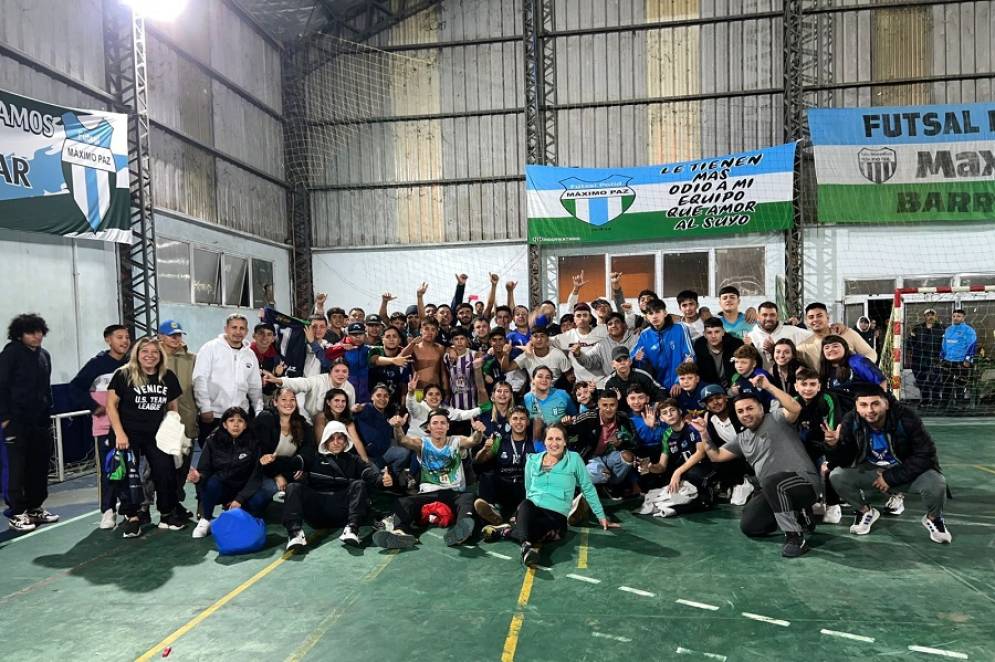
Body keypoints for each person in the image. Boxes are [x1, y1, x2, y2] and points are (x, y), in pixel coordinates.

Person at [703, 375, 818, 558]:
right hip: (772, 489)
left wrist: (769, 386)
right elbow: (716, 456)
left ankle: (795, 536)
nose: (745, 414)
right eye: (740, 411)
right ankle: (798, 513)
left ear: (761, 408)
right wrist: (703, 434)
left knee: (772, 481)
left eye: (750, 408)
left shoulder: (776, 418)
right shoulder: (742, 439)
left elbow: (795, 408)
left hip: (804, 482)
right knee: (750, 526)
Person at [825, 384, 951, 544]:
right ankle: (865, 511)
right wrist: (834, 445)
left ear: (886, 404)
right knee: (837, 475)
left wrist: (890, 477)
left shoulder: (906, 418)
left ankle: (934, 519)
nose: (869, 410)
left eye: (875, 404)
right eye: (863, 405)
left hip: (902, 468)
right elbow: (845, 459)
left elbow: (926, 455)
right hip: (871, 470)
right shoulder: (851, 420)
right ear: (856, 406)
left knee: (937, 483)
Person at [480, 424, 617, 568]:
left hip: (556, 517)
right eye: (550, 439)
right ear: (544, 442)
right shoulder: (532, 460)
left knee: (536, 530)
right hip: (532, 509)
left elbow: (587, 487)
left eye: (558, 439)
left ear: (565, 442)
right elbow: (528, 489)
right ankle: (526, 546)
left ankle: (507, 531)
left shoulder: (574, 459)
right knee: (526, 504)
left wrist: (601, 517)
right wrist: (522, 513)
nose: (554, 443)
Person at [106, 337, 185, 537]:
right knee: (127, 476)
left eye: (154, 352)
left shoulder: (167, 376)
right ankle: (132, 517)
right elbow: (111, 406)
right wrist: (119, 433)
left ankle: (167, 513)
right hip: (128, 433)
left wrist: (173, 429)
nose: (150, 355)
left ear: (160, 355)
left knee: (164, 472)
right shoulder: (123, 374)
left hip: (157, 435)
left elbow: (173, 406)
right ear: (137, 354)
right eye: (145, 351)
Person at [373, 409, 483, 549]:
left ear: (448, 426)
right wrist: (398, 427)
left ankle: (462, 529)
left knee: (468, 497)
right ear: (429, 427)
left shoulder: (456, 440)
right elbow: (402, 440)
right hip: (428, 494)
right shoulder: (422, 443)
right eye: (435, 423)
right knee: (403, 502)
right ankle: (400, 532)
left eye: (443, 423)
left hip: (452, 493)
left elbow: (473, 440)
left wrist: (478, 431)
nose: (439, 426)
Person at [283, 420, 392, 550]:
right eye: (331, 438)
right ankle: (295, 534)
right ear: (325, 440)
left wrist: (381, 479)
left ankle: (352, 529)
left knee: (359, 484)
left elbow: (368, 474)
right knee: (293, 487)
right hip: (317, 513)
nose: (336, 442)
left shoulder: (354, 459)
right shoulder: (312, 457)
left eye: (340, 438)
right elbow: (292, 464)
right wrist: (276, 465)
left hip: (343, 513)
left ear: (346, 440)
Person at [70, 323, 131, 530]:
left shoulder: (133, 363)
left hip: (129, 427)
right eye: (119, 337)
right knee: (109, 468)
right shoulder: (96, 365)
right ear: (108, 339)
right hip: (105, 428)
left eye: (127, 337)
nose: (124, 341)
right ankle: (108, 510)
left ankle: (128, 507)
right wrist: (93, 406)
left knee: (129, 468)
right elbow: (75, 388)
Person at [0, 313, 58, 532]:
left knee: (39, 465)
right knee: (16, 467)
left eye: (39, 332)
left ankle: (35, 507)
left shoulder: (44, 355)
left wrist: (48, 412)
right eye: (31, 333)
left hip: (40, 421)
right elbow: (1, 386)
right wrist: (5, 418)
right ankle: (16, 512)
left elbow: (46, 386)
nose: (37, 336)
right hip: (15, 422)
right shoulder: (10, 354)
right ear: (19, 335)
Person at [188, 407, 273, 539]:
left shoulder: (254, 442)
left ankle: (242, 513)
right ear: (224, 424)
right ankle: (205, 519)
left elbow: (256, 475)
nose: (236, 424)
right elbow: (204, 470)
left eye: (240, 421)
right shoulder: (212, 440)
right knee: (211, 483)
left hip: (246, 488)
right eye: (231, 420)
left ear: (245, 425)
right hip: (224, 486)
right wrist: (198, 478)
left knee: (260, 500)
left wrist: (240, 499)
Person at [192, 314, 264, 445]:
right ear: (226, 329)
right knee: (213, 460)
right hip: (213, 416)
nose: (238, 332)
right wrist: (205, 408)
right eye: (234, 327)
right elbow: (199, 379)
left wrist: (258, 410)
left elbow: (255, 387)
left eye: (242, 328)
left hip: (241, 417)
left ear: (247, 332)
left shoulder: (250, 354)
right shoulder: (210, 348)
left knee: (240, 460)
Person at [637, 399, 715, 518]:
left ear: (679, 412)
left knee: (693, 474)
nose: (669, 414)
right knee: (655, 482)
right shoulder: (667, 435)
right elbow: (662, 466)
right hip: (684, 471)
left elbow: (701, 453)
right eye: (664, 412)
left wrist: (677, 472)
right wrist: (650, 468)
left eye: (672, 410)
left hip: (703, 467)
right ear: (662, 418)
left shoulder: (693, 426)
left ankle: (708, 493)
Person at [158, 321, 198, 522]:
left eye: (179, 335)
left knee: (182, 468)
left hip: (188, 421)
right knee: (161, 469)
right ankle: (158, 507)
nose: (176, 339)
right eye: (172, 335)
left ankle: (175, 502)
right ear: (160, 337)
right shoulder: (153, 359)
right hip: (162, 425)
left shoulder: (193, 359)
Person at [792, 367, 843, 524]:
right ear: (796, 386)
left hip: (829, 444)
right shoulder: (794, 402)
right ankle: (814, 499)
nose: (808, 388)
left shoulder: (828, 398)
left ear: (819, 386)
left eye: (812, 384)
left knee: (828, 469)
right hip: (807, 445)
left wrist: (832, 438)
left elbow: (834, 429)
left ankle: (834, 504)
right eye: (804, 384)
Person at [472, 405, 538, 525]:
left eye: (522, 419)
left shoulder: (534, 443)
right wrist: (484, 450)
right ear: (509, 421)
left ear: (528, 422)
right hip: (503, 487)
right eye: (515, 418)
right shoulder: (500, 440)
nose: (518, 422)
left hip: (524, 488)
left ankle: (518, 515)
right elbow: (479, 462)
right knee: (487, 476)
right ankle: (491, 508)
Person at [568, 389, 637, 491]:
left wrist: (621, 442)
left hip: (609, 456)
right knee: (602, 475)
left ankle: (612, 487)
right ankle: (573, 483)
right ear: (599, 405)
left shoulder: (623, 418)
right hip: (589, 457)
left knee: (628, 457)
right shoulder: (586, 417)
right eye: (605, 405)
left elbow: (634, 443)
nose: (608, 409)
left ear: (617, 404)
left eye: (612, 405)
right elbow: (566, 435)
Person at [253, 387, 313, 498]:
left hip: (289, 471)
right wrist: (277, 475)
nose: (288, 403)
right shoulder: (266, 418)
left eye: (292, 399)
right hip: (264, 470)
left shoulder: (302, 424)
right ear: (275, 402)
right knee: (270, 489)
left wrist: (300, 466)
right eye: (284, 399)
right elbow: (262, 454)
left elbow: (308, 452)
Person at [699, 384, 751, 504]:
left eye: (718, 398)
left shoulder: (739, 411)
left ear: (726, 398)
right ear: (706, 405)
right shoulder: (710, 420)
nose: (715, 403)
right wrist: (704, 432)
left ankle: (747, 482)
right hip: (736, 457)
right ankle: (737, 483)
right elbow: (715, 449)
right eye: (710, 401)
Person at [353, 383, 413, 483]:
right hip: (368, 458)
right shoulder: (367, 409)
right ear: (372, 397)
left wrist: (398, 426)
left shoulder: (386, 416)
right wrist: (357, 408)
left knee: (404, 452)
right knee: (377, 481)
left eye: (386, 396)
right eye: (378, 395)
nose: (382, 398)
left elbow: (393, 437)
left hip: (383, 455)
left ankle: (394, 473)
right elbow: (360, 407)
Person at [631, 299, 694, 391]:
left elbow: (689, 356)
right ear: (647, 317)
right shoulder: (645, 335)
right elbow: (634, 358)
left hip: (681, 385)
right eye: (651, 313)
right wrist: (637, 360)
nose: (654, 316)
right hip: (658, 389)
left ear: (665, 313)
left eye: (657, 312)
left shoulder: (680, 328)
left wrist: (679, 381)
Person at [265, 358, 356, 421]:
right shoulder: (318, 380)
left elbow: (349, 411)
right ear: (330, 372)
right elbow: (302, 383)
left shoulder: (350, 388)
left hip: (335, 424)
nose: (340, 374)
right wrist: (279, 380)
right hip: (311, 419)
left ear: (348, 374)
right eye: (337, 371)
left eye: (344, 371)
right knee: (320, 417)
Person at [796, 302, 877, 370]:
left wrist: (859, 367)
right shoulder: (803, 348)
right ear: (806, 321)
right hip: (824, 388)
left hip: (853, 386)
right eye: (811, 317)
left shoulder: (847, 333)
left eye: (819, 315)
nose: (815, 320)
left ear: (827, 317)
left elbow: (870, 353)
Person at [819, 335, 888, 412]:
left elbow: (881, 381)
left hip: (864, 413)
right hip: (840, 415)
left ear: (845, 348)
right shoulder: (825, 370)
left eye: (835, 346)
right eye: (827, 348)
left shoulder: (856, 362)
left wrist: (881, 406)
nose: (831, 350)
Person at [746, 301, 812, 370]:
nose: (768, 318)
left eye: (772, 315)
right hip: (763, 378)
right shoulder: (751, 337)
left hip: (791, 378)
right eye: (764, 315)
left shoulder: (792, 331)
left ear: (777, 316)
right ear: (758, 316)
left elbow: (815, 337)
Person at [573, 312, 638, 381]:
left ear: (624, 324)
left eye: (617, 322)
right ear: (607, 328)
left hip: (637, 380)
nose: (613, 325)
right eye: (610, 324)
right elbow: (588, 362)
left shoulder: (636, 339)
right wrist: (578, 354)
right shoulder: (601, 345)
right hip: (614, 384)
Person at [313, 388, 369, 461]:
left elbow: (357, 441)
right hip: (326, 456)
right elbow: (320, 442)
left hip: (345, 453)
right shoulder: (321, 417)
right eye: (336, 400)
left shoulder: (347, 419)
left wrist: (366, 461)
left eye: (343, 401)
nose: (340, 404)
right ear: (328, 402)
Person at [523, 366, 576, 441]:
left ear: (551, 381)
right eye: (540, 376)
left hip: (560, 439)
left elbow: (574, 415)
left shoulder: (562, 394)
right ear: (533, 379)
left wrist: (568, 419)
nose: (544, 380)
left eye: (547, 377)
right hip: (535, 442)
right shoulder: (527, 398)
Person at [603, 345, 665, 410]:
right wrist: (618, 400)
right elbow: (609, 407)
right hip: (623, 413)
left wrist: (655, 406)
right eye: (619, 360)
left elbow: (661, 390)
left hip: (646, 410)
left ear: (630, 361)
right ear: (613, 364)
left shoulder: (642, 375)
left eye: (625, 359)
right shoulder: (610, 382)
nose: (622, 363)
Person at [324, 322, 374, 403]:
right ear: (348, 335)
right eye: (354, 334)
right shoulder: (342, 347)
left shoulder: (368, 349)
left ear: (365, 335)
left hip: (365, 394)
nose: (357, 336)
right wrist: (342, 348)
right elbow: (328, 354)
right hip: (345, 392)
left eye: (360, 334)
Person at [907, 309, 944, 408]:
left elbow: (945, 344)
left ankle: (936, 401)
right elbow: (910, 343)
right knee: (921, 381)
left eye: (932, 315)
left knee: (936, 380)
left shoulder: (941, 328)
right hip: (919, 359)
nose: (930, 317)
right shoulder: (917, 328)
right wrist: (910, 356)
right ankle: (925, 400)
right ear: (924, 316)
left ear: (935, 316)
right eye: (928, 315)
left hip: (935, 358)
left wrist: (942, 357)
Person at [938, 308, 977, 406]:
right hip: (947, 361)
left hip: (961, 362)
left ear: (964, 318)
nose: (955, 318)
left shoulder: (969, 330)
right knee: (946, 383)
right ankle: (944, 405)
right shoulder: (948, 330)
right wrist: (942, 357)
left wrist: (968, 359)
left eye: (958, 316)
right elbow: (944, 345)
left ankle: (960, 405)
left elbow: (972, 345)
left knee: (960, 384)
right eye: (954, 316)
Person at [693, 317, 743, 389]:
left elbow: (751, 363)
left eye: (717, 332)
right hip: (710, 388)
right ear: (704, 334)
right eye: (709, 332)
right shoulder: (699, 347)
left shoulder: (736, 344)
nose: (713, 336)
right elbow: (699, 374)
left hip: (734, 386)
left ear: (723, 332)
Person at [443, 327, 480, 409]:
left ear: (467, 340)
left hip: (472, 405)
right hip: (454, 405)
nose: (459, 342)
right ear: (452, 341)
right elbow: (446, 377)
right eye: (456, 339)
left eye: (462, 338)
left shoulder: (474, 355)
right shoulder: (446, 357)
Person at [250, 322, 284, 399]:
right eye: (261, 333)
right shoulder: (245, 353)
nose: (265, 337)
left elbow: (275, 386)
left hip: (266, 398)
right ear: (254, 336)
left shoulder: (277, 358)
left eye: (269, 334)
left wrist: (277, 374)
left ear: (273, 338)